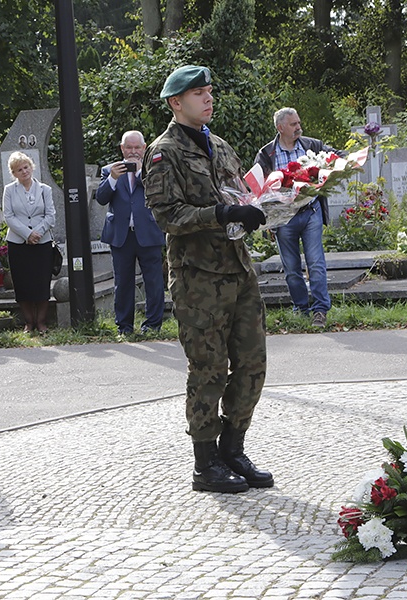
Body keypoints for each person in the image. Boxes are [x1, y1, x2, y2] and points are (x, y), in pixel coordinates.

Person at [142, 65, 273, 494]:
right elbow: (167, 216)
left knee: (253, 363)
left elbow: (239, 196)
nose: (208, 98)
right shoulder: (164, 152)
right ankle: (205, 463)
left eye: (209, 91)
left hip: (238, 269)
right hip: (198, 277)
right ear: (176, 103)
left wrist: (263, 206)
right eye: (198, 93)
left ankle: (233, 449)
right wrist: (222, 214)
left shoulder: (219, 145)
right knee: (209, 368)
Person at [254, 107, 344, 328]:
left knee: (315, 263)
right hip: (285, 219)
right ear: (280, 127)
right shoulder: (266, 154)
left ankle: (320, 310)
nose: (298, 127)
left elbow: (338, 157)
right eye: (293, 124)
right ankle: (301, 308)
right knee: (292, 268)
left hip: (311, 212)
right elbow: (258, 186)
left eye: (299, 123)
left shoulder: (312, 145)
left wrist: (331, 172)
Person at [95, 130, 165, 335]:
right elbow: (101, 198)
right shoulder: (110, 170)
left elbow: (159, 194)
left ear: (144, 148)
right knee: (123, 283)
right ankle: (124, 327)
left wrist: (140, 173)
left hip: (148, 232)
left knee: (153, 282)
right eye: (129, 147)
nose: (133, 151)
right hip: (121, 235)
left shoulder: (153, 169)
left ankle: (152, 325)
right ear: (122, 148)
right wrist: (114, 179)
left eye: (137, 147)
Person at [2, 152, 56, 333]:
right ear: (14, 173)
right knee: (22, 282)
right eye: (19, 169)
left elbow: (50, 215)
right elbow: (8, 216)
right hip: (18, 243)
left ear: (31, 167)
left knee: (41, 282)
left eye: (26, 167)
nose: (24, 171)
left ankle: (41, 322)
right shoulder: (9, 190)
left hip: (42, 242)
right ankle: (28, 322)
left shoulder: (44, 189)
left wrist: (38, 233)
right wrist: (26, 234)